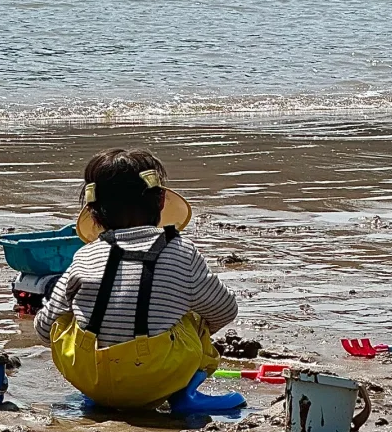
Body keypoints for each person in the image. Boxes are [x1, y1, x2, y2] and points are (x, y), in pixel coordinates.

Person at [34, 149, 239, 412]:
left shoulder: (84, 255)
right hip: (155, 378)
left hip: (90, 379)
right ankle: (183, 396)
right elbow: (225, 310)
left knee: (67, 314)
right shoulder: (182, 251)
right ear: (162, 201)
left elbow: (44, 329)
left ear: (93, 213)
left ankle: (105, 395)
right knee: (195, 318)